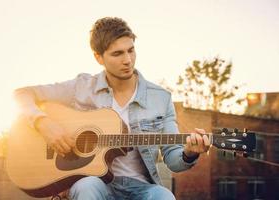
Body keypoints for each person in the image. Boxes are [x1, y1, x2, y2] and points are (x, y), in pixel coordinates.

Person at [14, 17, 210, 200]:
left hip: (141, 187)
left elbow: (172, 159)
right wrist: (43, 123)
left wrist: (189, 152)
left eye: (131, 50)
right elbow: (22, 94)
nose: (128, 60)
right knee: (87, 186)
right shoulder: (81, 87)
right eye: (117, 53)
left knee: (165, 197)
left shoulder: (161, 98)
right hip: (94, 183)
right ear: (99, 57)